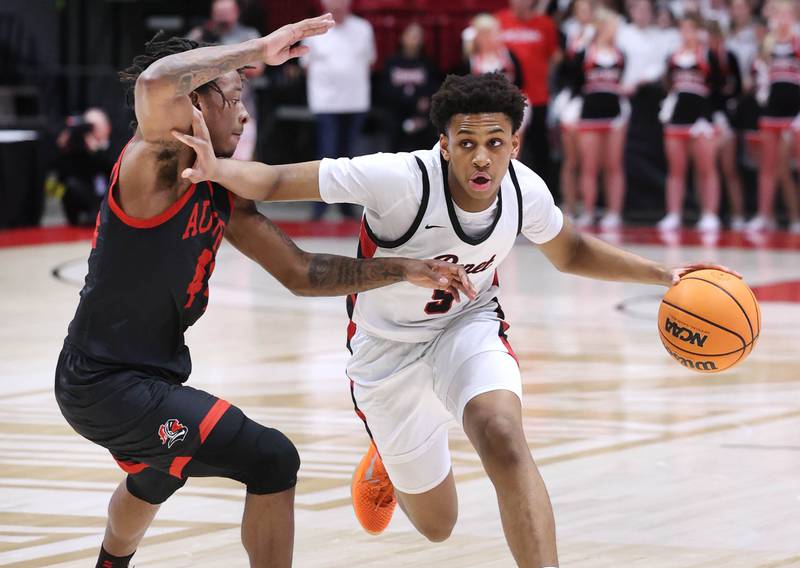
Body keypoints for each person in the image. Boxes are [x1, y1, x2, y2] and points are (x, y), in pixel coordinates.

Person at [174, 71, 735, 568]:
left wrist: (664, 276)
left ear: (515, 143)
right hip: (386, 354)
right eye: (466, 143)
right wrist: (217, 169)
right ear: (444, 145)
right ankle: (387, 458)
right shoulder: (397, 180)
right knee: (438, 526)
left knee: (503, 434)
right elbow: (274, 183)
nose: (482, 157)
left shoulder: (524, 189)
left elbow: (572, 252)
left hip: (466, 326)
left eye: (496, 143)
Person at [54, 17, 475, 568]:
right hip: (105, 383)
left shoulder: (223, 193)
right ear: (196, 105)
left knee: (156, 478)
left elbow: (303, 272)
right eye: (233, 97)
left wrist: (400, 269)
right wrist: (257, 49)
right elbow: (155, 83)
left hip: (147, 377)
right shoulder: (150, 162)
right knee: (273, 459)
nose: (246, 112)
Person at [301, 0, 375, 221]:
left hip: (355, 100)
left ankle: (347, 206)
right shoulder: (314, 28)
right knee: (326, 153)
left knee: (349, 156)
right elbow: (305, 64)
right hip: (326, 102)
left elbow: (370, 60)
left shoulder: (363, 27)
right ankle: (319, 206)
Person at [657, 13, 723, 232]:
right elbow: (667, 85)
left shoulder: (708, 55)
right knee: (676, 170)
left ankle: (710, 214)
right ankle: (673, 213)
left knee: (706, 168)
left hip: (702, 120)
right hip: (677, 119)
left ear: (699, 32)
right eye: (683, 30)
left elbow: (719, 87)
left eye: (691, 29)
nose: (687, 34)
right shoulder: (672, 56)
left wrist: (713, 116)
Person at [572, 8, 628, 229]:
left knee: (614, 165)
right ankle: (588, 211)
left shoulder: (620, 53)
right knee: (589, 165)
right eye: (612, 26)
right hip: (589, 113)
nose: (615, 31)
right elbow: (573, 75)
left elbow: (624, 79)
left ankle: (614, 213)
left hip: (614, 113)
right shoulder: (586, 51)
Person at [188, 0, 264, 161]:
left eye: (226, 13)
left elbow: (258, 67)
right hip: (206, 110)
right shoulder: (200, 34)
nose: (222, 18)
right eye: (219, 13)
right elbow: (180, 63)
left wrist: (223, 63)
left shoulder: (248, 35)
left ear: (236, 13)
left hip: (241, 104)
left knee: (241, 160)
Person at [747, 0, 800, 232]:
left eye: (787, 15)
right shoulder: (766, 45)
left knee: (792, 167)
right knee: (769, 166)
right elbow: (756, 81)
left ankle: (795, 217)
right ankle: (764, 215)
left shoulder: (798, 43)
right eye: (778, 15)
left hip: (794, 115)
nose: (782, 19)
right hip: (771, 113)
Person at [495, 0, 559, 183]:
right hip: (507, 99)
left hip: (538, 95)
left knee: (540, 147)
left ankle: (544, 193)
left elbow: (555, 57)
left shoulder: (544, 24)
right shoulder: (500, 20)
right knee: (508, 147)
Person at [554, 0, 595, 220]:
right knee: (571, 159)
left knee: (588, 160)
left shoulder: (597, 35)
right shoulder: (567, 33)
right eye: (580, 10)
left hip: (590, 102)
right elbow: (563, 68)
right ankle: (569, 205)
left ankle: (588, 207)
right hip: (570, 101)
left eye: (587, 10)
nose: (583, 14)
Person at [707, 20, 746, 230]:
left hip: (726, 120)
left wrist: (726, 117)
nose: (712, 41)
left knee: (729, 169)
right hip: (706, 121)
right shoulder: (703, 58)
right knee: (707, 168)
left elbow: (737, 89)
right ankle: (709, 213)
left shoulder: (729, 58)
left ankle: (738, 215)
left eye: (716, 37)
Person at [381, 22, 440, 152]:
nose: (414, 39)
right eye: (411, 35)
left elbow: (433, 89)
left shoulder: (426, 63)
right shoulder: (392, 62)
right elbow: (384, 90)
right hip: (395, 114)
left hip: (420, 115)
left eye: (418, 36)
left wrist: (424, 102)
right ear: (402, 37)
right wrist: (409, 101)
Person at [55, 108, 115, 226]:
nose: (91, 131)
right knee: (71, 185)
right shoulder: (79, 151)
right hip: (90, 196)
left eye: (94, 126)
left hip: (110, 199)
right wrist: (64, 148)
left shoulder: (117, 145)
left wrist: (97, 151)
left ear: (107, 127)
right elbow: (62, 176)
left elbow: (113, 170)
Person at [459, 13, 523, 88]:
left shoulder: (508, 56)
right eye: (494, 33)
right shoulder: (470, 62)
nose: (498, 36)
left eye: (498, 32)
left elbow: (520, 83)